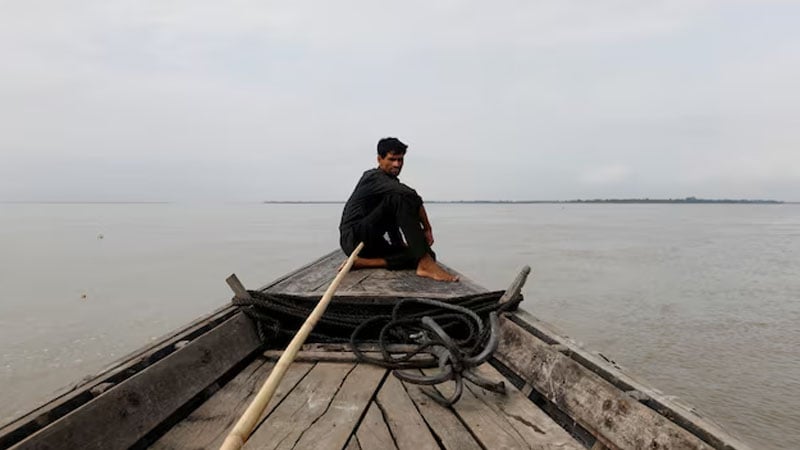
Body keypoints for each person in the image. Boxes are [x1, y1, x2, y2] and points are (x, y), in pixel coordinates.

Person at [339, 137, 459, 282]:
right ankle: (425, 264)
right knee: (400, 197)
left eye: (400, 160)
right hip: (354, 239)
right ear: (379, 159)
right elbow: (411, 195)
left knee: (426, 253)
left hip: (372, 242)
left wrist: (401, 243)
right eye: (392, 159)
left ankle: (364, 263)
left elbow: (391, 215)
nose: (397, 164)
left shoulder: (391, 183)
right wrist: (427, 228)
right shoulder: (372, 177)